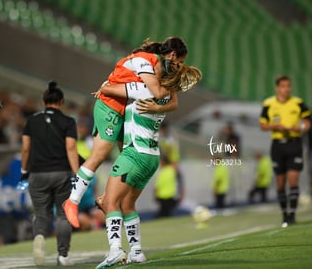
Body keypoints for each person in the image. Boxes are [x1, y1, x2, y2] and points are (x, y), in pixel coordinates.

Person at [63, 36, 189, 228]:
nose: (180, 66)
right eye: (181, 61)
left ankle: (108, 198)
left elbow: (171, 101)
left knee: (127, 155)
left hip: (119, 107)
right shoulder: (147, 62)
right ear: (172, 55)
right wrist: (172, 87)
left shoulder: (153, 64)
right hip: (110, 107)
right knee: (98, 156)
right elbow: (156, 92)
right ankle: (72, 201)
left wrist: (157, 106)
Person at [94, 61, 202, 268]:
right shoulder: (166, 94)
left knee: (109, 202)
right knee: (126, 205)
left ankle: (116, 250)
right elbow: (173, 99)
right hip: (151, 156)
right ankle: (136, 252)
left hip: (135, 153)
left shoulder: (143, 90)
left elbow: (106, 88)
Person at [20, 81, 79, 266]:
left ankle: (39, 236)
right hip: (61, 173)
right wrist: (77, 174)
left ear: (43, 101)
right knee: (62, 215)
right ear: (61, 101)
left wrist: (24, 171)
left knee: (41, 213)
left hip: (37, 174)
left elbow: (25, 148)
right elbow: (71, 148)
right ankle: (63, 255)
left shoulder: (31, 120)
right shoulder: (68, 122)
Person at [259, 75, 311, 227]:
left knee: (293, 178)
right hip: (278, 145)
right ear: (277, 88)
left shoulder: (298, 103)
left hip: (294, 143)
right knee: (280, 183)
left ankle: (292, 215)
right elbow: (262, 125)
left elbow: (307, 123)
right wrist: (275, 126)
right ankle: (284, 215)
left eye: (288, 86)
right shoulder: (269, 103)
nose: (286, 89)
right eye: (283, 86)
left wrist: (299, 128)